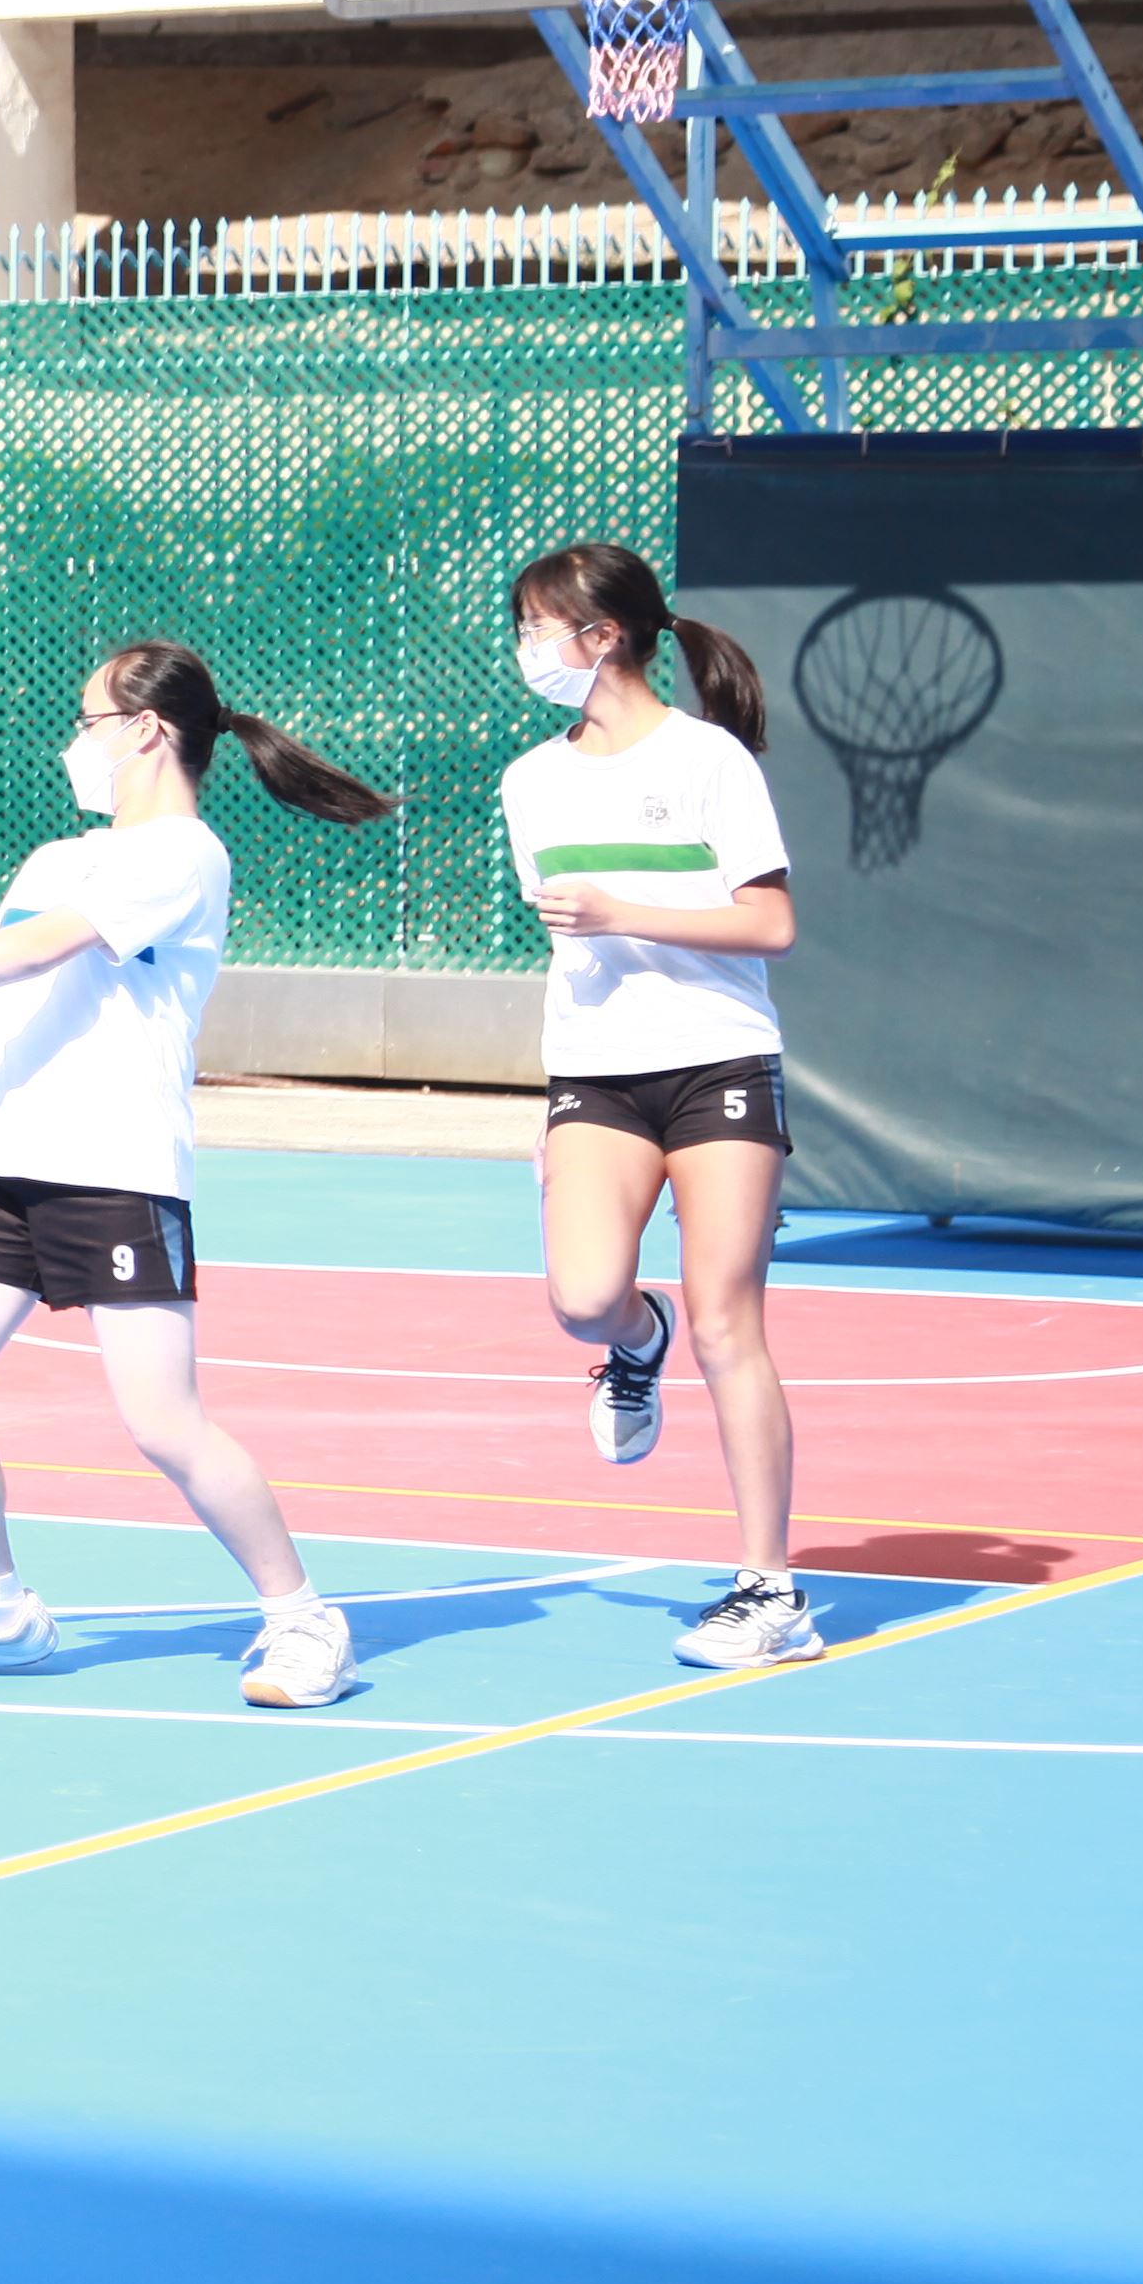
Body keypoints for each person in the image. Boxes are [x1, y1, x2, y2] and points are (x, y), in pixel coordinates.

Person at [0, 644, 395, 1709]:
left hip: (114, 1173)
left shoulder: (184, 856)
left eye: (88, 719)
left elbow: (41, 950)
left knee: (164, 1425)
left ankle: (302, 1620)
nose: (75, 742)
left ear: (146, 729)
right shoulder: (57, 857)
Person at [504, 540, 817, 1669]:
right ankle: (638, 1345)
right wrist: (546, 1105)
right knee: (584, 1297)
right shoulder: (530, 780)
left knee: (730, 1320)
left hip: (717, 1061)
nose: (526, 647)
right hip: (595, 1073)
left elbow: (770, 924)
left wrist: (626, 909)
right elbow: (565, 956)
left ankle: (770, 1592)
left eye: (538, 626)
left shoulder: (708, 759)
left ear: (604, 636)